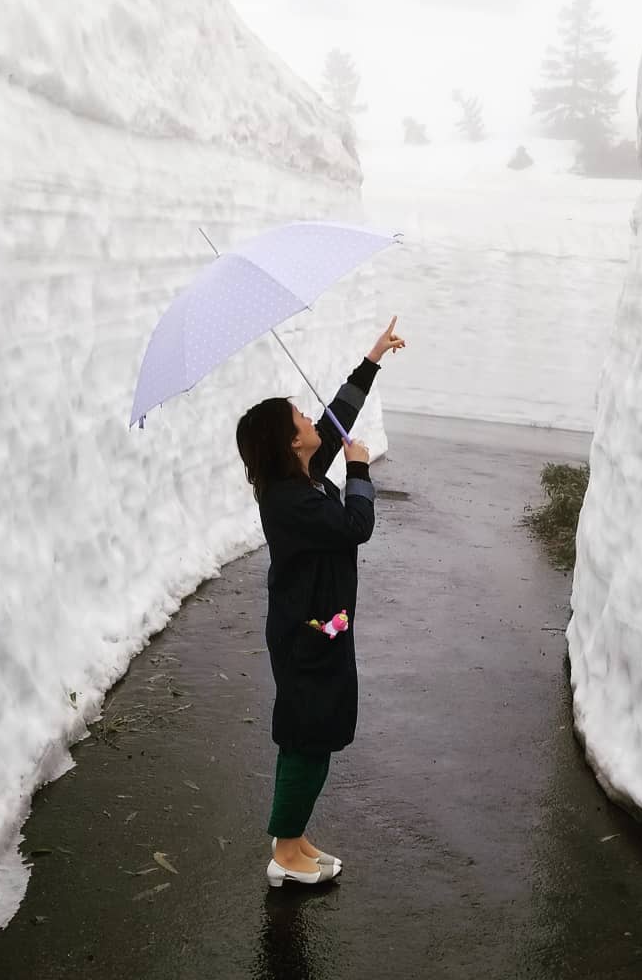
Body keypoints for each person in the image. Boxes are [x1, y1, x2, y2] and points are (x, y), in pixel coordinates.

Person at [235, 317, 406, 888]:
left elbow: (339, 413)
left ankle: (296, 836)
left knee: (319, 731)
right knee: (307, 735)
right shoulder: (290, 500)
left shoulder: (303, 476)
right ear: (289, 442)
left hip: (323, 624)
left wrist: (372, 359)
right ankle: (284, 852)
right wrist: (359, 469)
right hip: (308, 631)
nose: (311, 420)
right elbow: (355, 525)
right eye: (300, 419)